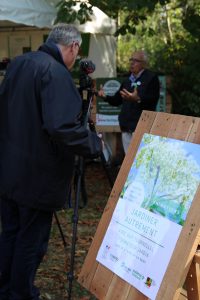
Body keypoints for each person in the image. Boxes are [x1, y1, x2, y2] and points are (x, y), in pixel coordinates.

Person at [0, 23, 102, 300]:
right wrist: (94, 144)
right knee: (30, 241)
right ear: (73, 47)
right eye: (76, 52)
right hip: (36, 175)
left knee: (11, 233)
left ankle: (6, 289)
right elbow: (62, 127)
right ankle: (20, 293)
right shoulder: (54, 72)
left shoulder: (20, 64)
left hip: (9, 171)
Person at [98, 50, 160, 154]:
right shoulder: (128, 80)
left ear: (144, 64)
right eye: (131, 60)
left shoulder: (151, 78)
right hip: (126, 127)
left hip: (141, 127)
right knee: (129, 160)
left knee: (141, 160)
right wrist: (105, 97)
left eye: (136, 60)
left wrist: (138, 99)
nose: (132, 63)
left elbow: (153, 100)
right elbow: (117, 100)